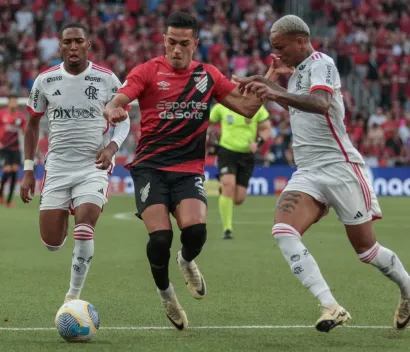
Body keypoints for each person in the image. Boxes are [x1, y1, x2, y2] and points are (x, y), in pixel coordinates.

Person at [236, 15, 410, 333]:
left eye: (280, 46)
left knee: (367, 251)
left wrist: (273, 92)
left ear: (301, 41)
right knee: (283, 231)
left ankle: (408, 290)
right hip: (309, 171)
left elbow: (319, 102)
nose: (277, 53)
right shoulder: (295, 75)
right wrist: (263, 83)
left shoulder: (322, 62)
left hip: (341, 168)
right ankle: (330, 304)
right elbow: (289, 100)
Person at [104, 12, 266, 330]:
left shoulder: (208, 75)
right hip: (150, 166)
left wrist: (266, 85)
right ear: (164, 41)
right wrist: (113, 108)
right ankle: (167, 295)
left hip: (188, 167)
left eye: (183, 43)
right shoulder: (147, 71)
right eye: (171, 42)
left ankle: (186, 260)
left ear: (195, 43)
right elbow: (119, 98)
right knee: (161, 236)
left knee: (195, 232)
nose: (176, 49)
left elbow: (247, 108)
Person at [20, 23, 130, 304]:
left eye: (78, 41)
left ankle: (72, 297)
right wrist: (29, 170)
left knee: (85, 226)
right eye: (67, 41)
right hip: (56, 167)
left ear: (87, 45)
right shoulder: (45, 80)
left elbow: (124, 118)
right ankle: (68, 206)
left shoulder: (106, 79)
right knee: (52, 243)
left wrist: (112, 146)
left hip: (93, 164)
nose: (72, 46)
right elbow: (32, 124)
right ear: (60, 46)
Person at [209, 103, 271, 239]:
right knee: (229, 185)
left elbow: (266, 128)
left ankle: (223, 188)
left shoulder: (256, 107)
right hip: (226, 152)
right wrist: (210, 138)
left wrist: (258, 142)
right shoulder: (222, 106)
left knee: (238, 199)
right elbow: (207, 123)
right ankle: (227, 229)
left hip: (247, 156)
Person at [0, 95, 26, 207]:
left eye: (15, 102)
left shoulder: (20, 117)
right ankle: (0, 192)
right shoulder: (0, 114)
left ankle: (9, 201)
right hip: (3, 147)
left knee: (14, 172)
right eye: (11, 102)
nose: (13, 104)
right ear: (8, 103)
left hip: (15, 148)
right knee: (7, 170)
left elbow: (25, 131)